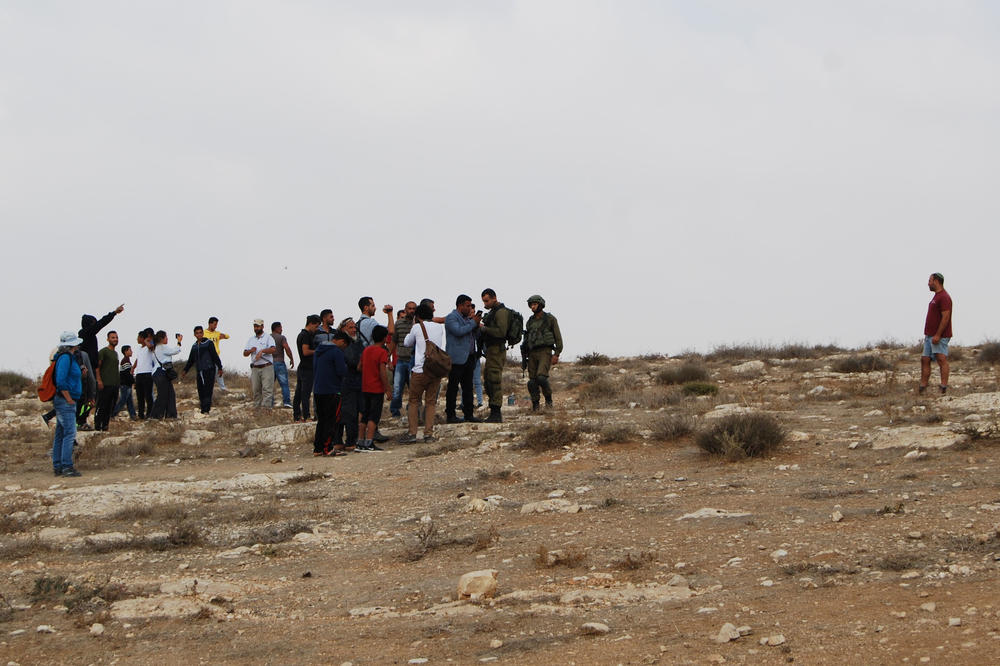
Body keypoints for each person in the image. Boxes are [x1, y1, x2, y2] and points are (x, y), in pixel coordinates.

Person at [399, 303, 446, 443]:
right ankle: (428, 433)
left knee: (414, 401)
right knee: (431, 402)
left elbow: (407, 343)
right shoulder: (439, 327)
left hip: (419, 369)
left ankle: (412, 433)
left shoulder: (416, 327)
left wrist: (415, 325)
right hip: (435, 370)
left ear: (418, 316)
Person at [78, 304, 124, 429]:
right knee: (89, 398)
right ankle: (80, 420)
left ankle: (81, 420)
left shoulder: (90, 335)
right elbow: (101, 324)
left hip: (90, 370)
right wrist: (114, 313)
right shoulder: (85, 333)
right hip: (87, 370)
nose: (95, 325)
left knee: (91, 399)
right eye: (93, 323)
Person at [444, 294, 483, 424]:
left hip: (469, 357)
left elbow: (473, 334)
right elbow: (458, 331)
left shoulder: (468, 319)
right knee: (453, 388)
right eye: (467, 306)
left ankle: (469, 414)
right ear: (460, 306)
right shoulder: (451, 318)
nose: (469, 308)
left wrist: (475, 324)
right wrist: (473, 322)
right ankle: (450, 415)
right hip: (456, 359)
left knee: (468, 388)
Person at [521, 294, 564, 411]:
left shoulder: (550, 319)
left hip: (545, 351)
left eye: (535, 304)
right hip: (532, 353)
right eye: (531, 305)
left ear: (540, 305)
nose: (532, 307)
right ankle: (535, 404)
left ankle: (548, 400)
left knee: (541, 378)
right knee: (532, 382)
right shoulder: (530, 321)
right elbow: (527, 338)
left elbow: (558, 338)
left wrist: (556, 354)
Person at [52, 331, 84, 477]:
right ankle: (66, 466)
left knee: (61, 433)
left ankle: (58, 465)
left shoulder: (66, 357)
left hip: (64, 400)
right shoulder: (66, 358)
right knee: (70, 433)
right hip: (66, 401)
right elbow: (61, 380)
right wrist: (69, 398)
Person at [312, 331, 350, 456]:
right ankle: (328, 448)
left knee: (322, 420)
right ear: (341, 341)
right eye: (344, 346)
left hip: (318, 390)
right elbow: (341, 371)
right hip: (332, 390)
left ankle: (318, 448)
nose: (343, 348)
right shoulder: (336, 352)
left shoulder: (318, 351)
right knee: (332, 420)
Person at [359, 325, 392, 451]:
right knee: (374, 416)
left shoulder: (366, 350)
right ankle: (369, 442)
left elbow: (359, 367)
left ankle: (360, 442)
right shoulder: (382, 352)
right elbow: (383, 372)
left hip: (365, 387)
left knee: (365, 415)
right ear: (384, 338)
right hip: (376, 388)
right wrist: (388, 388)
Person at [480, 288, 511, 423]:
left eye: (487, 301)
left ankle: (496, 412)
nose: (485, 304)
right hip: (491, 350)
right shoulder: (493, 312)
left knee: (494, 379)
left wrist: (483, 328)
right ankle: (493, 411)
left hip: (497, 350)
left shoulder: (501, 312)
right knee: (488, 380)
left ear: (494, 298)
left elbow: (501, 332)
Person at [333, 318, 363, 450]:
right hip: (345, 384)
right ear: (344, 329)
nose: (354, 330)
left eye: (354, 327)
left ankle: (350, 440)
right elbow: (352, 361)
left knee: (352, 413)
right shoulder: (343, 345)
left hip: (356, 383)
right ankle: (345, 441)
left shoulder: (358, 343)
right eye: (350, 328)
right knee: (345, 413)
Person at [921, 272, 953, 395]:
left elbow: (945, 317)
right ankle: (922, 387)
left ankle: (943, 387)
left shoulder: (944, 297)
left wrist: (938, 335)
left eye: (930, 280)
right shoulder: (936, 297)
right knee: (925, 359)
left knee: (941, 359)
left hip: (939, 336)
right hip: (929, 335)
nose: (928, 283)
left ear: (936, 281)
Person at [183, 325, 224, 414]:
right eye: (197, 333)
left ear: (203, 333)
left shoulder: (208, 343)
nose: (199, 334)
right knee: (201, 390)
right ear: (194, 334)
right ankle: (203, 409)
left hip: (209, 369)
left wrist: (220, 367)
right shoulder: (194, 346)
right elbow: (191, 360)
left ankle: (206, 410)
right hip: (199, 371)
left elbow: (214, 356)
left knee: (208, 390)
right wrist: (185, 370)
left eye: (200, 332)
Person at [390, 302, 417, 417]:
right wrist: (388, 357)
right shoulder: (399, 323)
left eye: (413, 309)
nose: (411, 311)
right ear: (405, 310)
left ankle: (413, 410)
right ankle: (395, 411)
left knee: (414, 389)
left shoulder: (418, 325)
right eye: (409, 308)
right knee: (397, 388)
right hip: (401, 360)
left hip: (414, 361)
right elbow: (394, 341)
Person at [244, 319, 277, 409]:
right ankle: (257, 410)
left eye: (258, 326)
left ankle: (266, 410)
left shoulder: (268, 338)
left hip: (266, 366)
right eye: (255, 326)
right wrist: (251, 350)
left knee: (267, 389)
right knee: (256, 390)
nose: (256, 328)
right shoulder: (251, 340)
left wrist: (262, 351)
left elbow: (273, 349)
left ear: (262, 326)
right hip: (255, 367)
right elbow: (245, 353)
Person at [294, 314, 321, 422]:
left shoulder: (302, 334)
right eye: (316, 326)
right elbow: (305, 351)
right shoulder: (305, 335)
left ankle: (297, 415)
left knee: (299, 393)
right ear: (311, 324)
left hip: (303, 367)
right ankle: (306, 416)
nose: (316, 329)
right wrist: (318, 351)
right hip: (307, 368)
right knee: (305, 393)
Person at [150, 330, 183, 419]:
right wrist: (179, 341)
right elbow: (175, 351)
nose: (167, 339)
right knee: (163, 395)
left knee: (169, 394)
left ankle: (170, 415)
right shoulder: (162, 347)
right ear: (162, 338)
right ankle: (156, 415)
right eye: (166, 337)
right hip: (161, 373)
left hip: (159, 373)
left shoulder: (156, 348)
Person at [94, 331, 120, 431]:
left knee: (110, 407)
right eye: (113, 337)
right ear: (108, 339)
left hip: (115, 384)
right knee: (102, 406)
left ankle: (105, 426)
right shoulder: (103, 351)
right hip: (105, 384)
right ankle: (97, 426)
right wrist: (99, 380)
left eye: (116, 337)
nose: (115, 339)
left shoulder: (116, 353)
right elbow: (97, 367)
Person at [270, 322, 295, 408]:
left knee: (269, 385)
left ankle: (270, 403)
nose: (282, 330)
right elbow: (286, 348)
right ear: (276, 328)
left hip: (269, 364)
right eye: (280, 328)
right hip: (279, 362)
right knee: (284, 384)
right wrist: (291, 359)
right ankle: (287, 402)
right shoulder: (281, 338)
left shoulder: (267, 338)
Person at [133, 328, 156, 420]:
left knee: (148, 395)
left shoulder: (149, 345)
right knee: (140, 396)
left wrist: (147, 340)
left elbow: (151, 347)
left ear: (142, 338)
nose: (137, 339)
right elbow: (138, 359)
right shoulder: (139, 348)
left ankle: (150, 413)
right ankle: (141, 414)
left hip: (148, 373)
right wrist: (133, 367)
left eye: (138, 337)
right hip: (139, 374)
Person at [204, 317, 230, 392]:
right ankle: (207, 388)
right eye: (214, 324)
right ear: (210, 324)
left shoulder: (217, 333)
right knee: (208, 374)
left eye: (216, 325)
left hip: (216, 357)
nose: (215, 326)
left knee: (219, 372)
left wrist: (224, 335)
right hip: (207, 357)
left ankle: (223, 388)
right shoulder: (204, 333)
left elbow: (228, 336)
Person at [112, 344, 137, 420]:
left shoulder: (126, 361)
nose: (131, 351)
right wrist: (133, 381)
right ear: (125, 351)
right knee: (123, 401)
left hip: (126, 384)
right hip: (125, 384)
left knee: (129, 401)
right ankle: (112, 414)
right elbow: (127, 374)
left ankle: (133, 415)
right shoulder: (125, 361)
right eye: (130, 350)